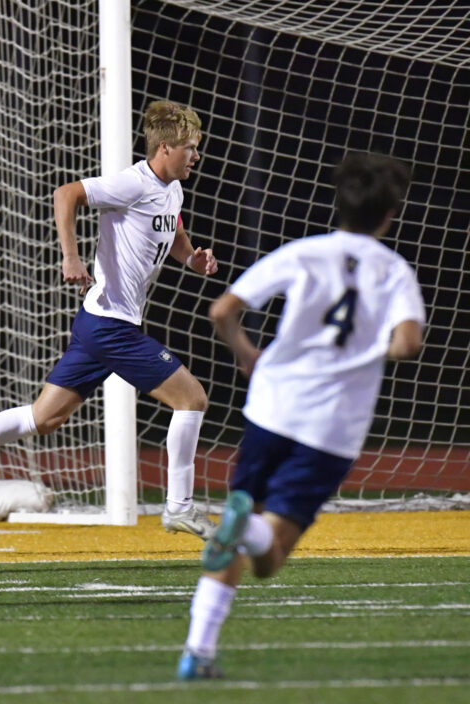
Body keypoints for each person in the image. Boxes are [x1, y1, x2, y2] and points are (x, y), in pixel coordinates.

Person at [0, 100, 219, 539]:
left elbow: (172, 228)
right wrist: (71, 258)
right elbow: (66, 193)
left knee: (43, 418)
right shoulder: (132, 183)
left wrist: (193, 257)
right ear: (165, 148)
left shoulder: (173, 188)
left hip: (100, 324)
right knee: (192, 399)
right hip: (111, 325)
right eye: (190, 147)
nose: (196, 155)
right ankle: (180, 507)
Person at [176, 152, 425, 679]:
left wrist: (247, 355)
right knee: (271, 557)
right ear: (388, 215)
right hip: (329, 427)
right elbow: (407, 343)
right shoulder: (393, 271)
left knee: (245, 531)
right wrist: (362, 351)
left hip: (271, 405)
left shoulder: (304, 253)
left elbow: (222, 310)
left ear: (341, 204)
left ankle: (198, 652)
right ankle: (241, 532)